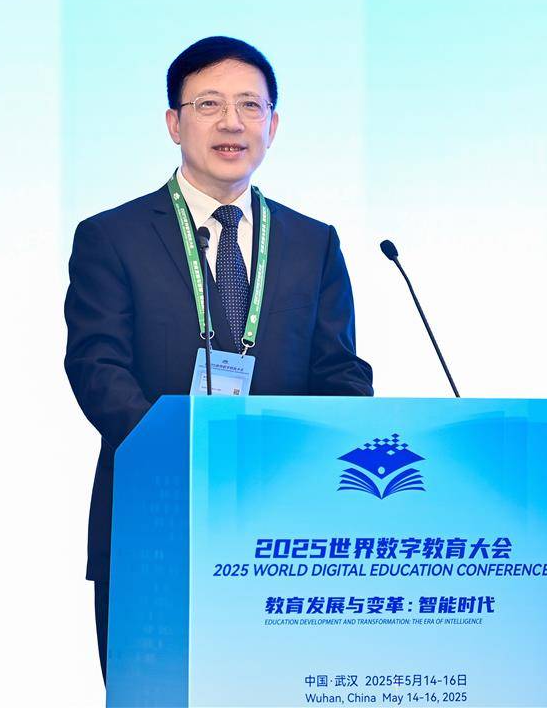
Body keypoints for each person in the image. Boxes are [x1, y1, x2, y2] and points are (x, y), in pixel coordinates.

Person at [63, 36, 374, 681]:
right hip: (156, 517)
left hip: (285, 532)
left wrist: (329, 451)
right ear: (174, 123)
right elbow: (97, 366)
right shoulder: (112, 237)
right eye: (209, 105)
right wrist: (178, 451)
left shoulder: (313, 243)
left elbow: (339, 372)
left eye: (250, 106)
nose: (232, 122)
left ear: (273, 126)